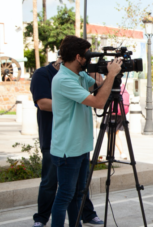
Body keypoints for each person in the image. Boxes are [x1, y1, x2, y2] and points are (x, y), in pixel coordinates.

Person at [50, 35, 122, 227]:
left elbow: (98, 87)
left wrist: (101, 68)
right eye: (87, 56)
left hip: (80, 145)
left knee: (79, 194)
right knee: (65, 195)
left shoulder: (78, 75)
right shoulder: (64, 79)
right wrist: (112, 75)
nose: (88, 59)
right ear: (78, 57)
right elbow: (99, 102)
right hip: (68, 147)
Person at [30, 53, 104, 227]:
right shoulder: (44, 74)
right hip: (53, 136)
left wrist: (96, 78)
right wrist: (72, 99)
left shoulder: (78, 75)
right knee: (51, 183)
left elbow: (97, 89)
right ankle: (41, 218)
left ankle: (86, 214)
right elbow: (42, 103)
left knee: (77, 188)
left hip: (77, 140)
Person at [105, 84, 129, 159]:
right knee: (115, 134)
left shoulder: (110, 86)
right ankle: (121, 152)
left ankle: (112, 154)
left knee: (110, 134)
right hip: (121, 114)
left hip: (112, 114)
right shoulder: (122, 87)